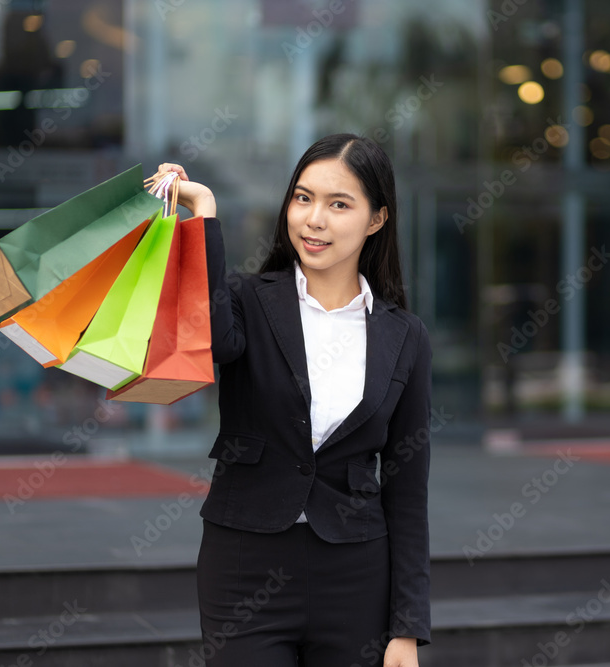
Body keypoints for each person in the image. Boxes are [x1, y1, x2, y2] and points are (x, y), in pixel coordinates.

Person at [148, 133, 432, 667]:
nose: (313, 220)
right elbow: (211, 337)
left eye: (338, 204)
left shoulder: (405, 336)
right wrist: (203, 212)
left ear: (376, 220)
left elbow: (408, 490)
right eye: (303, 198)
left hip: (356, 574)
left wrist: (408, 628)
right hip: (244, 566)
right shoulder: (247, 301)